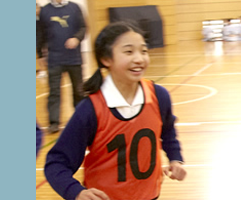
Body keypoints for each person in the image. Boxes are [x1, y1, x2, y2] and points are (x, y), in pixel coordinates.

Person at [44, 21, 186, 200]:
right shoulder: (90, 109)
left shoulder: (159, 96)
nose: (139, 58)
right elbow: (56, 163)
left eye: (143, 51)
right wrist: (76, 192)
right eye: (128, 51)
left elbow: (167, 131)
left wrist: (175, 158)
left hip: (150, 195)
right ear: (106, 59)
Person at [38, 0, 87, 134]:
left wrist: (76, 38)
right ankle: (54, 123)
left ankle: (81, 119)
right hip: (54, 58)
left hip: (74, 58)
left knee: (78, 91)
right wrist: (40, 54)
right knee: (54, 92)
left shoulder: (75, 7)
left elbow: (83, 28)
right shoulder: (45, 10)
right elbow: (40, 34)